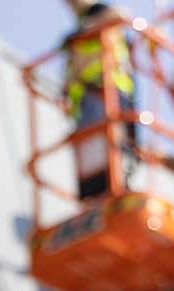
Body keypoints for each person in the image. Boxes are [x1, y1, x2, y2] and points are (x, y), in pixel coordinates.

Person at [62, 0, 135, 199]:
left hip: (106, 92)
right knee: (91, 156)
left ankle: (114, 188)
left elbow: (120, 14)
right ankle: (95, 194)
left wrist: (88, 29)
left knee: (108, 149)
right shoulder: (75, 33)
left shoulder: (100, 13)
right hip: (86, 102)